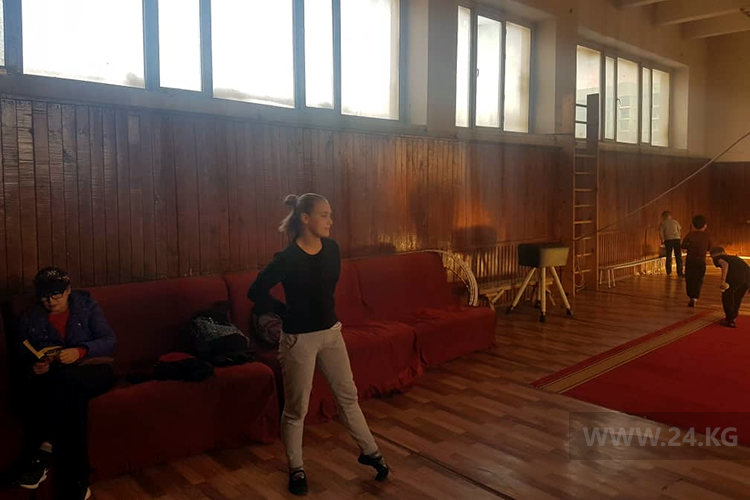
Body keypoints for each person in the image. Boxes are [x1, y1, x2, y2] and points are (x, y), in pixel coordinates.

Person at [247, 194, 389, 496]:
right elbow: (255, 291)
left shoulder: (332, 249)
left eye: (330, 214)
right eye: (324, 215)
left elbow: (324, 292)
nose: (330, 221)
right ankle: (296, 468)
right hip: (299, 340)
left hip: (331, 334)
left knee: (348, 397)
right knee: (297, 408)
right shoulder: (286, 258)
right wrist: (283, 310)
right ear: (305, 219)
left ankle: (370, 452)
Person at [14, 267, 116, 500]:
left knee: (66, 382)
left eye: (56, 295)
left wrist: (80, 351)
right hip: (59, 378)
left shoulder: (87, 307)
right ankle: (77, 481)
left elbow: (109, 340)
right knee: (74, 398)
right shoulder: (31, 318)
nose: (50, 301)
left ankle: (43, 452)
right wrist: (35, 365)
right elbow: (22, 355)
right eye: (44, 297)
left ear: (68, 290)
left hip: (94, 370)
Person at [710, 247, 750, 328]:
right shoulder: (735, 258)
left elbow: (725, 265)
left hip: (734, 279)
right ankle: (733, 317)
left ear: (713, 254)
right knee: (737, 298)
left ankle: (729, 320)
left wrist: (723, 280)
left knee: (727, 297)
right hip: (746, 279)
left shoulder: (718, 257)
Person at [681, 215, 712, 307]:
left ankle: (691, 296)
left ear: (693, 225)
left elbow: (683, 246)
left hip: (690, 260)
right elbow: (710, 248)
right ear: (705, 225)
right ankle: (695, 297)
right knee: (698, 279)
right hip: (701, 261)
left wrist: (690, 246)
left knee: (689, 279)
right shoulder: (707, 236)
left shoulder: (690, 234)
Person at [659, 211, 683, 277]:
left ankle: (669, 272)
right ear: (670, 216)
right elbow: (679, 231)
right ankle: (680, 272)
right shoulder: (675, 222)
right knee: (678, 256)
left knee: (668, 256)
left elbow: (661, 232)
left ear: (663, 216)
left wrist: (662, 240)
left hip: (668, 240)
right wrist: (679, 238)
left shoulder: (663, 223)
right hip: (676, 239)